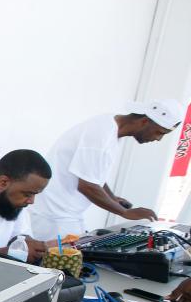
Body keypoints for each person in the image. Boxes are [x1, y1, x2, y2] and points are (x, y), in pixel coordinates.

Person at [30, 100, 183, 240]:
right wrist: (125, 213)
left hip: (63, 214)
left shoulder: (107, 126)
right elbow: (87, 186)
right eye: (159, 132)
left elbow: (94, 176)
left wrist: (112, 198)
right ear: (144, 121)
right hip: (54, 218)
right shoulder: (101, 137)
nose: (158, 139)